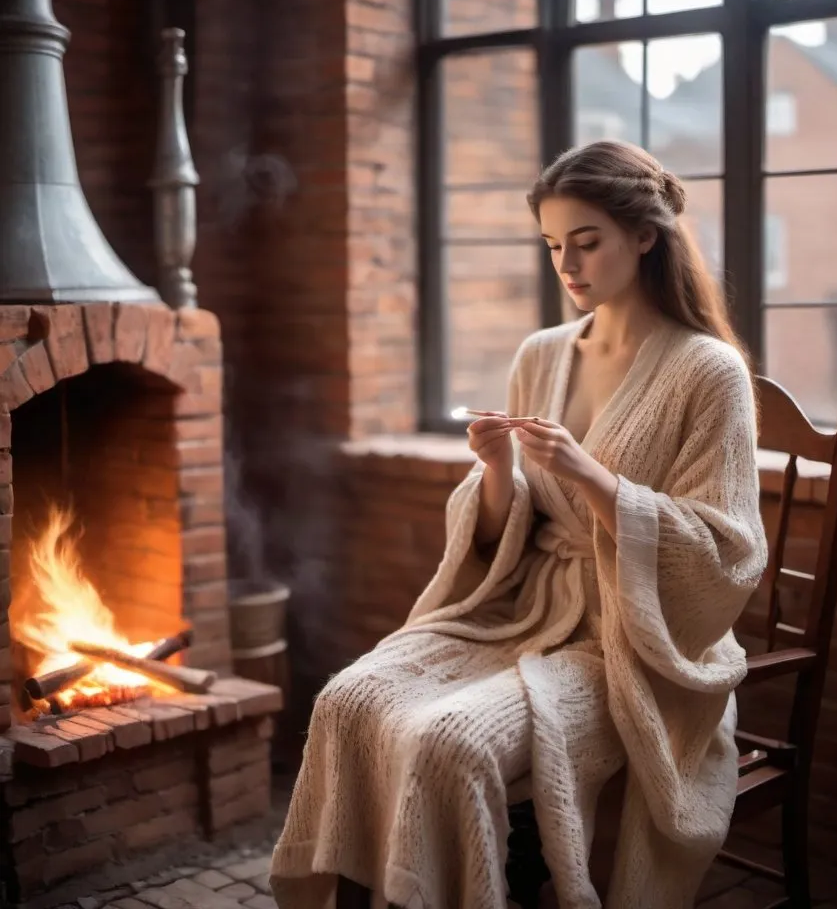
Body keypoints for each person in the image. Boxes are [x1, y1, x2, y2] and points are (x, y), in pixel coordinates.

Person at [270, 140, 768, 909]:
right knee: (348, 698)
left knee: (451, 743)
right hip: (518, 611)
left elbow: (726, 555)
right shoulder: (541, 354)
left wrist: (591, 476)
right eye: (552, 245)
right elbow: (506, 527)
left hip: (629, 646)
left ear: (645, 235)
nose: (567, 265)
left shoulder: (708, 371)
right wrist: (499, 470)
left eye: (587, 242)